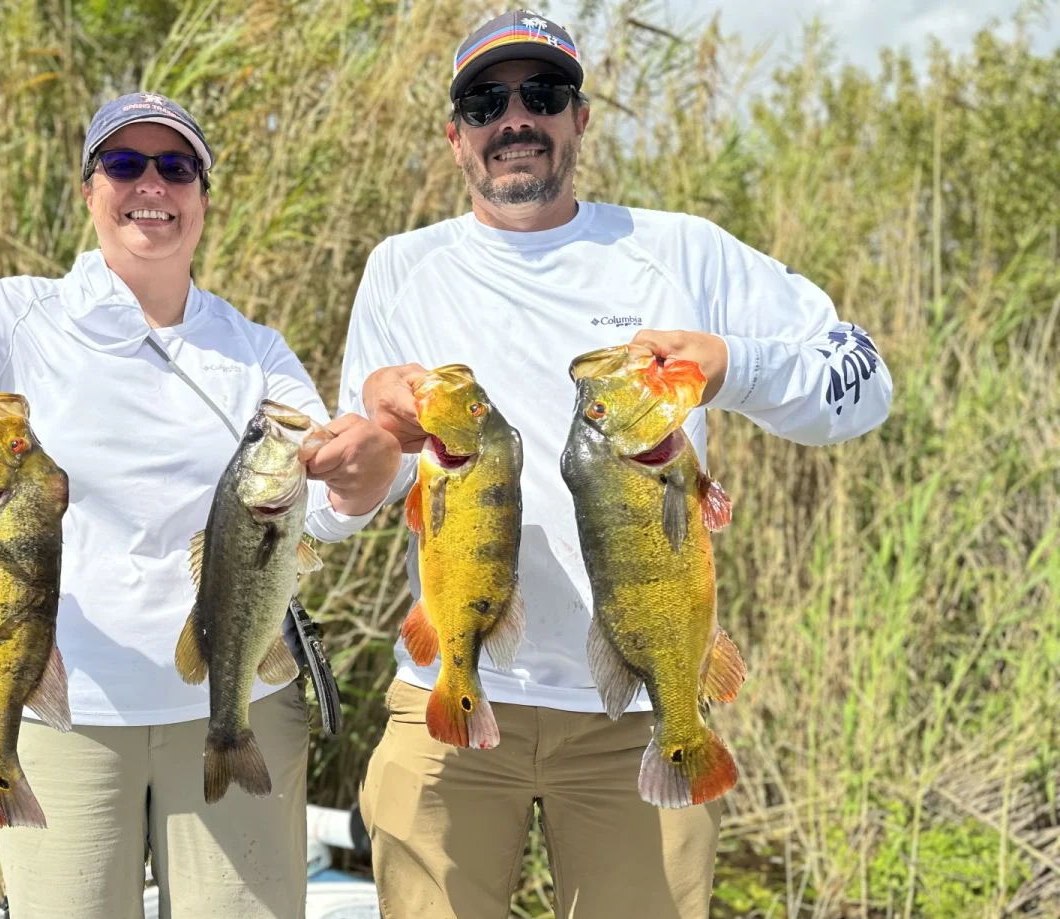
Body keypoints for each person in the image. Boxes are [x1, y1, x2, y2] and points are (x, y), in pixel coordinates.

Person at [0, 91, 401, 919]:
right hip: (61, 714)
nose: (151, 184)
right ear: (89, 190)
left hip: (238, 704)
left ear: (203, 195)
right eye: (123, 163)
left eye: (175, 166)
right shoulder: (16, 316)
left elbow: (313, 514)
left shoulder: (254, 350)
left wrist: (361, 484)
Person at [337, 10, 893, 919]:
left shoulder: (681, 250)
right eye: (485, 102)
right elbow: (367, 495)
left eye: (543, 93)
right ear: (454, 135)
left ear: (581, 118)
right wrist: (370, 447)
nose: (516, 118)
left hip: (639, 712)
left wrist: (732, 365)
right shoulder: (403, 269)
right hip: (450, 697)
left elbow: (865, 382)